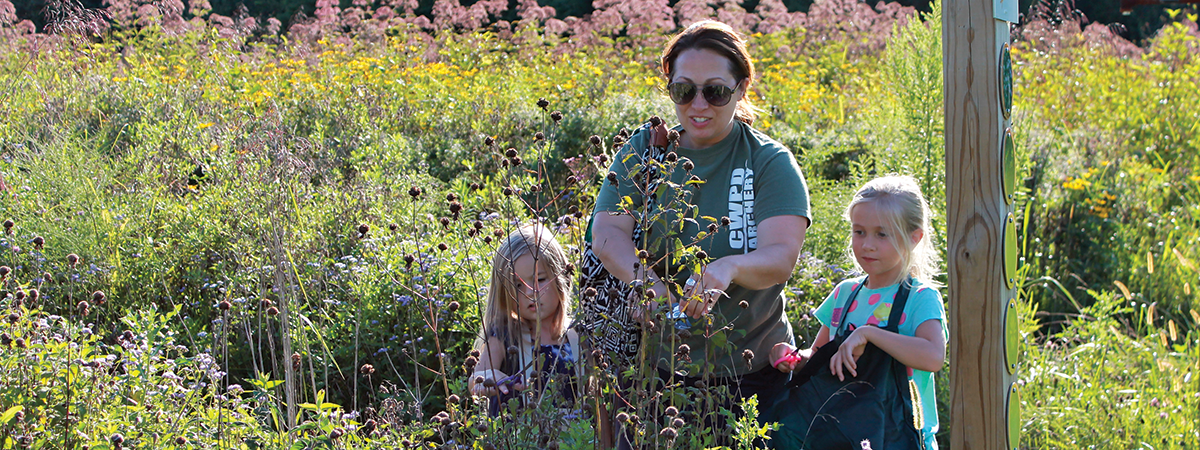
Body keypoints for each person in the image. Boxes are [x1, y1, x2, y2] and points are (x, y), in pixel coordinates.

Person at [587, 19, 811, 439]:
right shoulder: (645, 151)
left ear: (742, 88)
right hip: (654, 374)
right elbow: (607, 235)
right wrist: (648, 286)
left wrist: (727, 269)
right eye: (684, 90)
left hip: (753, 378)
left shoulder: (768, 162)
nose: (698, 105)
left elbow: (781, 256)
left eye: (716, 91)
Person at [769, 175, 947, 449]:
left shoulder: (919, 298)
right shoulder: (845, 293)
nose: (867, 244)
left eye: (882, 234)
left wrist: (869, 335)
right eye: (859, 232)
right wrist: (792, 357)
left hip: (902, 438)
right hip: (845, 437)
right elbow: (819, 357)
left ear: (914, 238)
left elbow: (933, 357)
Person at [468, 224, 584, 415]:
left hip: (571, 441)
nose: (531, 292)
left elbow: (595, 401)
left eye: (539, 280)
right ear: (503, 291)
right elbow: (476, 378)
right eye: (517, 286)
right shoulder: (505, 336)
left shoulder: (577, 337)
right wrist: (485, 378)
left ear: (562, 277)